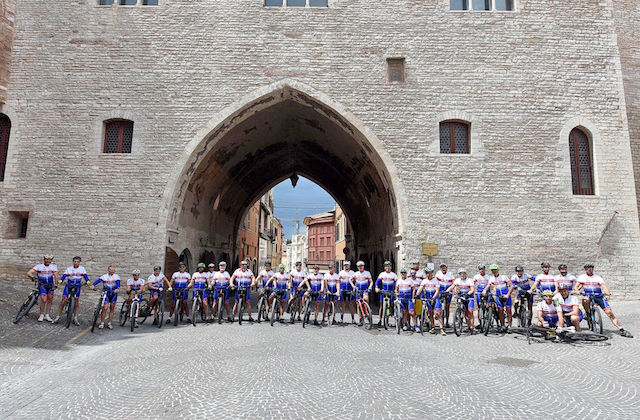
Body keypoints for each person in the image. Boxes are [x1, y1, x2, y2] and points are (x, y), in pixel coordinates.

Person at [576, 263, 633, 338]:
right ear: (585, 269)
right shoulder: (582, 277)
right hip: (588, 296)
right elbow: (576, 287)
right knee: (585, 299)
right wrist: (577, 291)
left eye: (590, 268)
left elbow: (604, 286)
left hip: (599, 296)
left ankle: (621, 329)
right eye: (587, 268)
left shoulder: (598, 278)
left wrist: (607, 294)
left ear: (593, 269)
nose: (589, 269)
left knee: (609, 313)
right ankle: (588, 313)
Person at [53, 256, 90, 325]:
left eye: (78, 262)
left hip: (77, 286)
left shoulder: (82, 269)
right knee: (63, 300)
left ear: (79, 262)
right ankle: (57, 317)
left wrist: (88, 281)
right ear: (73, 262)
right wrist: (61, 281)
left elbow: (85, 276)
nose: (76, 263)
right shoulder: (69, 269)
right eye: (75, 261)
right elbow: (64, 276)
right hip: (69, 286)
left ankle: (75, 318)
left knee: (76, 302)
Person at [27, 254, 59, 322]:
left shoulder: (53, 266)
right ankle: (41, 314)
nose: (48, 261)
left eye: (50, 260)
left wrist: (56, 284)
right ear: (44, 259)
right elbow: (29, 273)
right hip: (42, 285)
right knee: (44, 299)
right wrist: (32, 277)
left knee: (50, 299)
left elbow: (56, 275)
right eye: (47, 260)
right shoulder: (39, 266)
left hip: (50, 285)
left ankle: (47, 315)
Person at [415, 263, 444, 335]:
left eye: (430, 273)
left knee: (437, 313)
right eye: (427, 273)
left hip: (435, 298)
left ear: (432, 273)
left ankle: (441, 329)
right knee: (430, 313)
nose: (428, 274)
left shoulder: (435, 280)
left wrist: (434, 298)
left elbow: (437, 290)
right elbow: (420, 288)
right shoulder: (424, 281)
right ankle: (433, 327)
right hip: (428, 298)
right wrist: (417, 295)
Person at [485, 264, 514, 332]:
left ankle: (509, 326)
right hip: (498, 296)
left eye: (495, 270)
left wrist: (508, 294)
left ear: (498, 270)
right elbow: (488, 285)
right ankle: (502, 326)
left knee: (508, 311)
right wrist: (485, 290)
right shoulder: (491, 279)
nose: (494, 271)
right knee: (500, 311)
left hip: (506, 295)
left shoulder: (504, 277)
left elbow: (512, 286)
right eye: (492, 270)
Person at [90, 265, 121, 330]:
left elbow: (118, 284)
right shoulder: (104, 276)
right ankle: (102, 323)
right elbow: (98, 281)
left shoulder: (116, 277)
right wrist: (93, 285)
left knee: (112, 308)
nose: (112, 271)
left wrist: (117, 288)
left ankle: (109, 323)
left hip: (113, 294)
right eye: (111, 270)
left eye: (113, 270)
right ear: (108, 270)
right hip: (106, 293)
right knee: (105, 308)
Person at [447, 268, 475, 333]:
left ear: (465, 274)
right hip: (462, 297)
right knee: (465, 313)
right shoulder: (457, 280)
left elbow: (472, 289)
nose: (462, 275)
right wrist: (446, 291)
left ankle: (472, 327)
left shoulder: (469, 280)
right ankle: (469, 326)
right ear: (459, 275)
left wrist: (468, 294)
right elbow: (452, 286)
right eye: (461, 274)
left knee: (470, 312)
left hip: (469, 297)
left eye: (463, 273)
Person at [375, 261, 397, 327]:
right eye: (386, 266)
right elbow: (377, 281)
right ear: (384, 267)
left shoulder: (393, 275)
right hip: (383, 291)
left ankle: (395, 318)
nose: (388, 267)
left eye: (389, 266)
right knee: (381, 306)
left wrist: (396, 289)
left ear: (391, 267)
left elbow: (397, 283)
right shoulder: (382, 274)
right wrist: (376, 288)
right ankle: (380, 320)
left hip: (391, 292)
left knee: (392, 305)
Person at [435, 263, 455, 327]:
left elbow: (454, 283)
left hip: (448, 291)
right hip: (440, 290)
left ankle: (447, 322)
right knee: (438, 304)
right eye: (442, 267)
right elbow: (435, 281)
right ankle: (438, 315)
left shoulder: (450, 274)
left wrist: (452, 289)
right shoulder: (438, 273)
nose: (443, 268)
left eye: (444, 267)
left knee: (447, 307)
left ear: (446, 268)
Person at [473, 264, 490, 328]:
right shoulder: (476, 276)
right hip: (479, 292)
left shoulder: (488, 277)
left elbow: (491, 284)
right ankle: (480, 323)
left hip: (487, 292)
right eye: (480, 269)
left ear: (485, 269)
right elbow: (472, 283)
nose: (481, 270)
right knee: (479, 308)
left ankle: (489, 318)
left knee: (489, 305)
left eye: (482, 269)